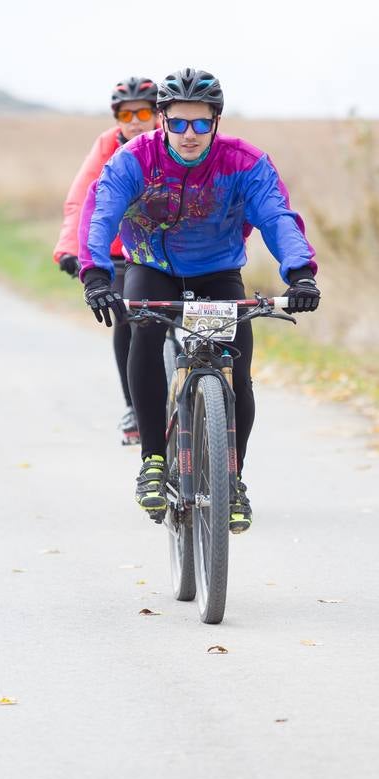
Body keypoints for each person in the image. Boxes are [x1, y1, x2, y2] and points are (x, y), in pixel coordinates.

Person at [78, 67, 320, 533]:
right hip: (151, 266)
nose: (191, 135)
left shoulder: (243, 162)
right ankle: (152, 460)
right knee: (143, 339)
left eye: (202, 123)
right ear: (163, 120)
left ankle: (234, 480)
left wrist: (302, 274)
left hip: (217, 272)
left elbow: (276, 215)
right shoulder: (134, 159)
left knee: (238, 372)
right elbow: (101, 215)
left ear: (216, 121)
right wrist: (95, 276)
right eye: (180, 123)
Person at [54, 77, 158, 444]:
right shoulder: (106, 146)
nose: (134, 121)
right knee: (127, 317)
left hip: (164, 252)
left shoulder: (174, 143)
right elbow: (82, 198)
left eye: (143, 111)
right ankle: (135, 403)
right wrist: (70, 248)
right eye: (125, 114)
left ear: (158, 113)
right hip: (118, 254)